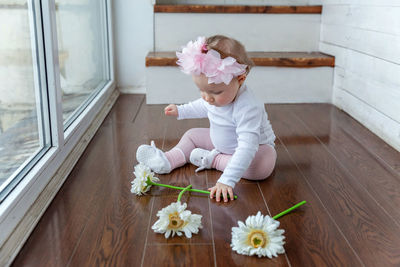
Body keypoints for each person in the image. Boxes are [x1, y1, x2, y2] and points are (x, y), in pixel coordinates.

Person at [137, 35, 276, 202]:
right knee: (192, 134)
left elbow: (247, 146)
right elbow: (203, 105)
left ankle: (213, 160)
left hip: (254, 149)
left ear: (240, 79)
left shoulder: (248, 107)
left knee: (261, 166)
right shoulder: (213, 96)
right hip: (221, 142)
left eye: (215, 93)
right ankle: (168, 160)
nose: (207, 97)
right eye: (201, 90)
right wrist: (181, 110)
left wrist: (227, 181)